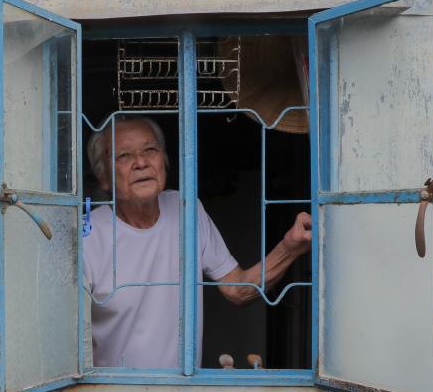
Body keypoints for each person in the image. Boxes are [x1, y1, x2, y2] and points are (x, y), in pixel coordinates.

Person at [82, 116, 312, 369]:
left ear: (165, 162)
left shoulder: (186, 209)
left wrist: (289, 248)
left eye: (150, 150)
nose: (141, 163)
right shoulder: (87, 235)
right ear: (102, 177)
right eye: (123, 156)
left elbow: (238, 289)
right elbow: (68, 339)